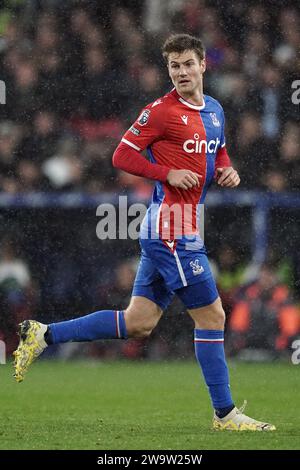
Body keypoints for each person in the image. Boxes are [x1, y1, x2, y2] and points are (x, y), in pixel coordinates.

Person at [13, 34, 275, 431]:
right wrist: (166, 172)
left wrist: (227, 168)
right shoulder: (160, 111)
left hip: (177, 228)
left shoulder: (216, 109)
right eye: (174, 66)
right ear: (169, 71)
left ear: (203, 65)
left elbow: (217, 150)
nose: (182, 72)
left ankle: (44, 334)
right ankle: (225, 414)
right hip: (170, 228)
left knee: (138, 322)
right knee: (212, 317)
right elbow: (121, 154)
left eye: (188, 63)